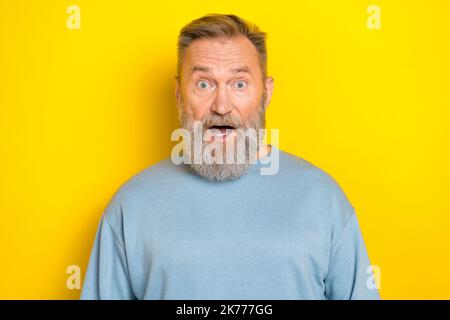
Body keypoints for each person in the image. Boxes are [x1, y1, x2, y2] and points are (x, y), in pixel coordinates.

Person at [80, 13, 380, 300]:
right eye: (203, 84)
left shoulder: (322, 198)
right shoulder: (131, 206)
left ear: (266, 92)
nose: (221, 106)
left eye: (239, 84)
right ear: (177, 92)